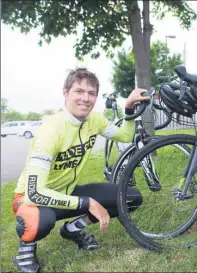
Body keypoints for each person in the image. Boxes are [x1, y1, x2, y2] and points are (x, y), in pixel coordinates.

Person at [12, 68, 150, 273]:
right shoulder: (50, 130)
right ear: (66, 93)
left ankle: (72, 230)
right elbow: (35, 192)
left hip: (66, 193)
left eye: (91, 93)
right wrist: (87, 202)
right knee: (42, 220)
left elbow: (125, 136)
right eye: (79, 91)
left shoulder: (95, 120)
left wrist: (128, 108)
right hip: (30, 199)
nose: (86, 98)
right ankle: (27, 246)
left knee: (129, 197)